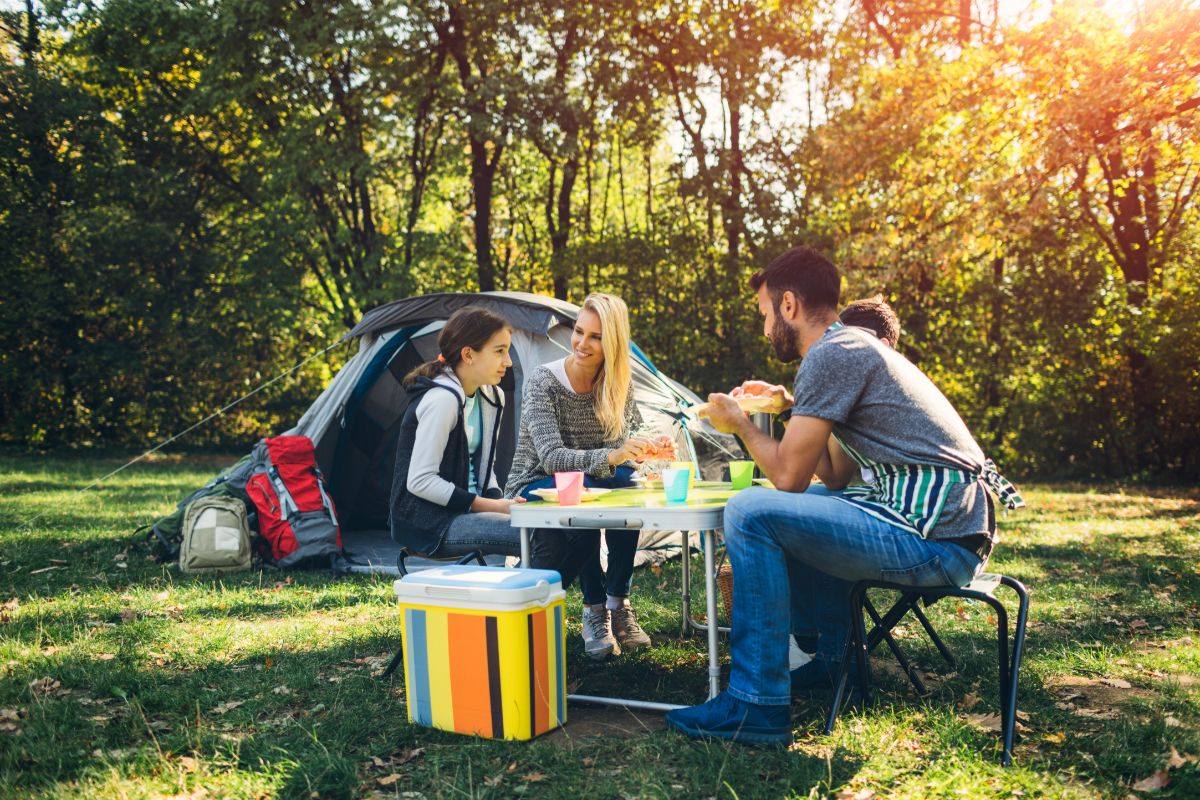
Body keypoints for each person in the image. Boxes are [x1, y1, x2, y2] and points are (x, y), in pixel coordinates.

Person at [666, 246, 1023, 745]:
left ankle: (755, 703)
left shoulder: (832, 354)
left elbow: (789, 477)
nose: (765, 328)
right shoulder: (849, 349)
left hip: (933, 535)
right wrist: (791, 406)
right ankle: (833, 663)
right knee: (813, 505)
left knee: (748, 509)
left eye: (765, 314)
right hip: (948, 529)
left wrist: (741, 424)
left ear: (789, 305)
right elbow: (833, 475)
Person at [505, 293, 671, 660]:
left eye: (595, 336)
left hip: (592, 482)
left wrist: (645, 446)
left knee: (626, 484)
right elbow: (550, 458)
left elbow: (624, 440)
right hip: (535, 482)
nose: (581, 343)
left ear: (612, 342)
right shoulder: (543, 381)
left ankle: (618, 602)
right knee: (589, 491)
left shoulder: (617, 383)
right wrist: (612, 455)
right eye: (579, 331)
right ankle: (594, 609)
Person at [389, 306, 572, 572]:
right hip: (431, 522)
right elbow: (420, 482)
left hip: (469, 512)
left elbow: (485, 471)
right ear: (468, 354)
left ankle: (545, 599)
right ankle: (512, 601)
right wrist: (492, 506)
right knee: (546, 538)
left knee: (570, 529)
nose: (508, 362)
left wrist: (501, 503)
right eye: (499, 351)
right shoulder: (442, 400)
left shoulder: (490, 397)